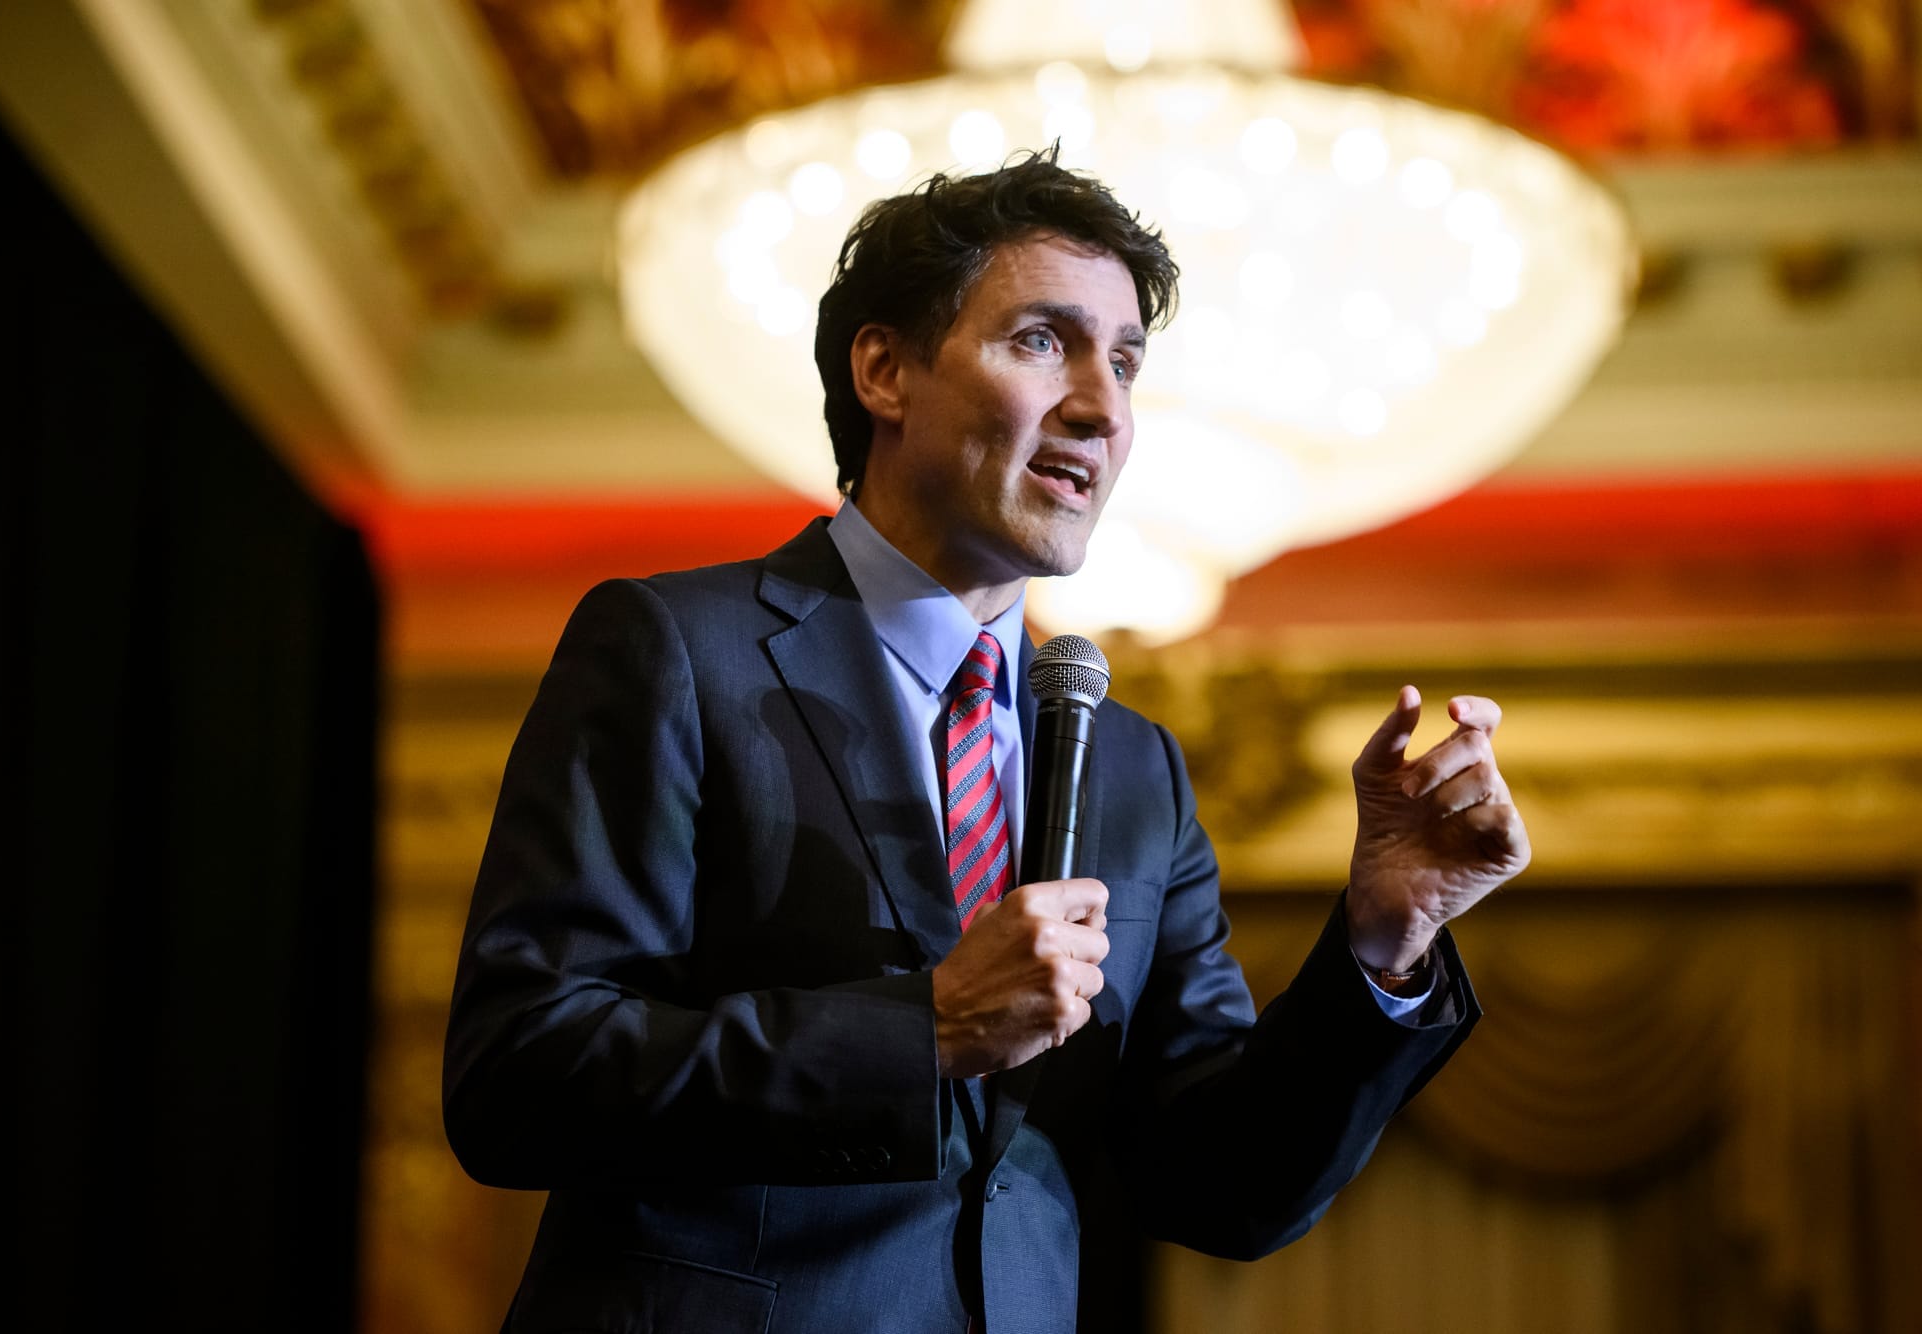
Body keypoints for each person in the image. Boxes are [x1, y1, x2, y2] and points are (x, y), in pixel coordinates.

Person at [443, 147, 1530, 1334]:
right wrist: (923, 1028)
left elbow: (1221, 1184)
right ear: (884, 369)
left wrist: (1383, 937)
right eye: (1040, 341)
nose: (1102, 407)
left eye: (1123, 362)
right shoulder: (674, 650)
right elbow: (518, 1075)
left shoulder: (1134, 769)